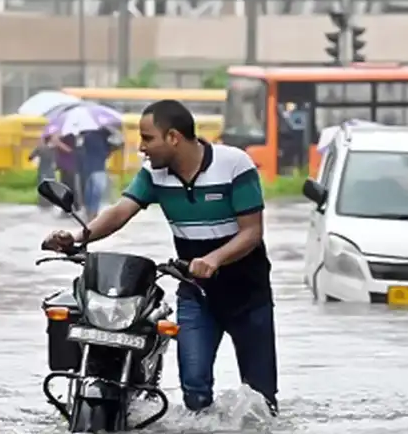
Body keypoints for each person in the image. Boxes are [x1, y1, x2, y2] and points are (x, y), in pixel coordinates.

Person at [41, 99, 278, 414]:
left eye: (148, 138)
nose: (141, 148)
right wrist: (76, 237)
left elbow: (252, 232)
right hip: (196, 293)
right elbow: (120, 211)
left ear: (174, 138)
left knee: (262, 398)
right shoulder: (154, 174)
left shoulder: (234, 164)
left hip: (249, 295)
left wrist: (215, 259)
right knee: (194, 391)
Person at [76, 128, 113, 220]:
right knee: (97, 192)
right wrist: (110, 150)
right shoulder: (102, 137)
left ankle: (88, 211)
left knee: (89, 191)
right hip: (99, 168)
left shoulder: (86, 136)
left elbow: (82, 150)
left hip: (87, 168)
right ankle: (93, 213)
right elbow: (104, 154)